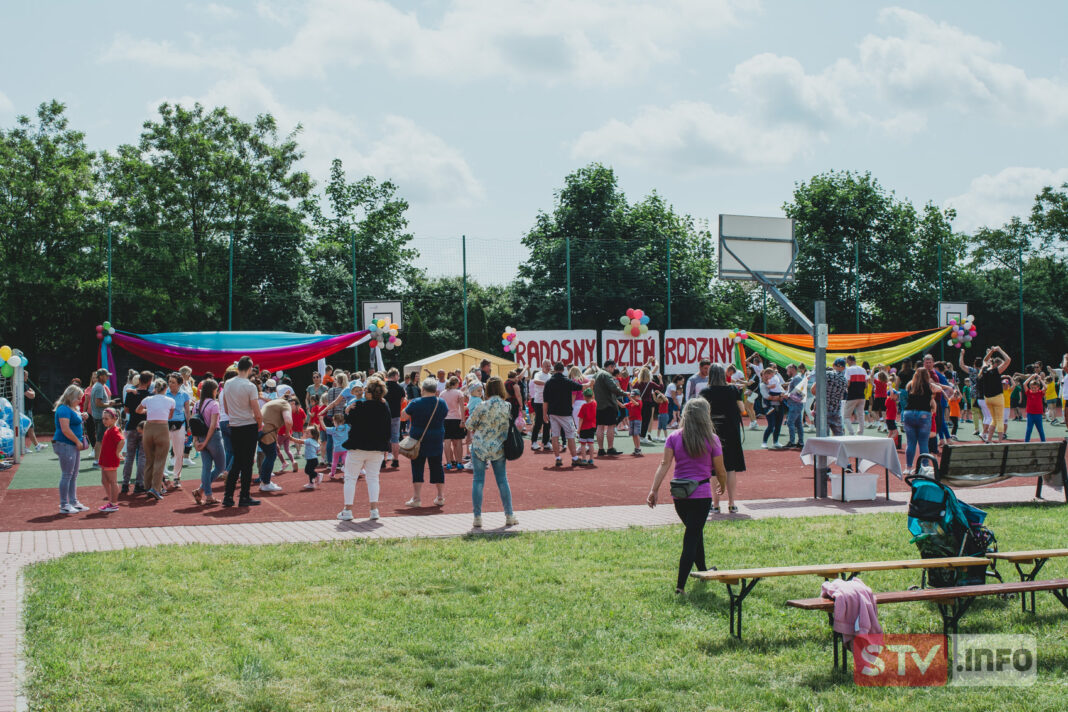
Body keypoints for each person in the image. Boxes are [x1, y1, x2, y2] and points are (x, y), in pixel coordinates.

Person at [646, 398, 727, 594]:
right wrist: (722, 484)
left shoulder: (674, 437)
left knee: (695, 531)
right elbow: (720, 469)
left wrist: (654, 489)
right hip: (701, 494)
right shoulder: (712, 439)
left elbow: (664, 464)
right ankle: (680, 586)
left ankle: (703, 570)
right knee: (692, 536)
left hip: (680, 495)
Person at [465, 376, 518, 528]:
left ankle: (477, 517)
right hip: (498, 447)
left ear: (487, 389)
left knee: (478, 480)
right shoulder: (507, 406)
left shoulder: (481, 405)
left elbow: (469, 425)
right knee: (502, 480)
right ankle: (509, 515)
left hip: (480, 446)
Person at [338, 376, 391, 521]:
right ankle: (374, 510)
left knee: (350, 478)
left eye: (366, 389)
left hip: (357, 448)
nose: (363, 391)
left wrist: (347, 410)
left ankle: (348, 511)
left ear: (370, 393)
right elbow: (388, 429)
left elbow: (348, 420)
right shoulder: (384, 406)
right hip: (377, 449)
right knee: (373, 479)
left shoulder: (359, 405)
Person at [699, 365, 745, 512]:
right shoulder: (733, 389)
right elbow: (742, 409)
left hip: (713, 431)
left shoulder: (705, 392)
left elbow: (701, 413)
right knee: (730, 468)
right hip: (731, 431)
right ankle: (732, 503)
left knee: (714, 468)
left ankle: (716, 504)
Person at [221, 356, 263, 508]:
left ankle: (228, 496)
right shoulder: (250, 386)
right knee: (247, 463)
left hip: (234, 426)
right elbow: (257, 412)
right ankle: (244, 496)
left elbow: (226, 408)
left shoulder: (227, 384)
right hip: (248, 426)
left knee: (237, 462)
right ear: (250, 368)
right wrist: (259, 425)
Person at [404, 378, 448, 508]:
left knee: (417, 466)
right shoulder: (441, 402)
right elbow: (444, 415)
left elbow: (403, 416)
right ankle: (440, 496)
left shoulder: (415, 402)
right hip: (436, 438)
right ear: (435, 390)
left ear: (423, 389)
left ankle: (417, 498)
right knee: (437, 466)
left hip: (418, 439)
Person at [136, 379, 175, 501]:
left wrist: (147, 411)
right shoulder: (170, 401)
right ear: (165, 388)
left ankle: (148, 487)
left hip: (148, 428)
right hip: (162, 428)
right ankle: (155, 489)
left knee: (149, 460)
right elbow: (170, 416)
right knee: (160, 461)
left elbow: (138, 410)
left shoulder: (148, 399)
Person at [53, 384, 89, 514]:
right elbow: (65, 429)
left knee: (73, 474)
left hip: (72, 444)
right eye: (78, 398)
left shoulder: (73, 408)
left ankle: (73, 501)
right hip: (65, 444)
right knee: (67, 474)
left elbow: (75, 421)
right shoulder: (63, 409)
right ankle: (64, 504)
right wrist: (77, 441)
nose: (80, 401)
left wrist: (83, 416)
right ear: (71, 397)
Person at [902, 368, 945, 475]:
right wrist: (931, 383)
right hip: (924, 413)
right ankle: (924, 467)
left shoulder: (910, 384)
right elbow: (939, 389)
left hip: (909, 413)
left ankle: (908, 467)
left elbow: (906, 392)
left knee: (910, 443)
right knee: (923, 443)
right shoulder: (929, 385)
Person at [191, 378, 224, 505]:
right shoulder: (214, 404)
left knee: (206, 467)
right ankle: (203, 492)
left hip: (200, 437)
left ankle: (205, 494)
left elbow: (194, 424)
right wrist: (206, 442)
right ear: (213, 390)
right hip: (213, 437)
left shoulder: (197, 404)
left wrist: (196, 441)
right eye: (216, 390)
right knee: (220, 466)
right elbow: (213, 425)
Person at [257, 396, 293, 493]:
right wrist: (287, 433)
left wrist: (276, 441)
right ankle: (266, 483)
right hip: (267, 431)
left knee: (269, 455)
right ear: (292, 403)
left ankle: (264, 482)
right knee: (271, 455)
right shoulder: (286, 404)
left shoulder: (275, 403)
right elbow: (288, 421)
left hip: (260, 430)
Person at [592, 359, 626, 456]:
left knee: (600, 426)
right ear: (610, 366)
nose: (614, 369)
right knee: (611, 426)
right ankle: (610, 448)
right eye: (614, 367)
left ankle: (601, 449)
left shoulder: (596, 374)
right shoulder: (607, 375)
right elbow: (613, 388)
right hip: (609, 404)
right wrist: (625, 393)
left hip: (598, 404)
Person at [977, 346, 1011, 442]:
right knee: (999, 419)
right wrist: (999, 349)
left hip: (988, 398)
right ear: (996, 364)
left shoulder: (984, 370)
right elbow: (1008, 360)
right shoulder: (996, 371)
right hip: (997, 397)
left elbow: (985, 360)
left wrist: (991, 352)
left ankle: (989, 439)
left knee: (994, 419)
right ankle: (1000, 441)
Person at [164, 372, 192, 489]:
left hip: (180, 425)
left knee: (179, 452)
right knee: (162, 451)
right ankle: (163, 476)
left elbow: (187, 411)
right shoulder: (164, 393)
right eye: (169, 382)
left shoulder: (184, 395)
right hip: (165, 425)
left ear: (179, 384)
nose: (170, 384)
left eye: (173, 382)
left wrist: (189, 426)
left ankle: (176, 477)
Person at [813, 358, 848, 436]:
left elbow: (813, 390)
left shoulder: (827, 374)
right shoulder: (844, 380)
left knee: (823, 437)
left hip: (823, 410)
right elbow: (841, 396)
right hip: (836, 410)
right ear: (844, 368)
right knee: (839, 436)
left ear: (833, 365)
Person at [97, 407, 123, 513]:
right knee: (104, 481)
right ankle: (111, 501)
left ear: (114, 419)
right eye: (103, 418)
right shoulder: (108, 429)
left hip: (110, 460)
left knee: (112, 481)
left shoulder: (114, 430)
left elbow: (122, 441)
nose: (104, 421)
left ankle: (113, 503)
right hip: (105, 459)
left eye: (106, 419)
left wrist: (117, 453)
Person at [440, 376, 467, 471]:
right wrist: (463, 421)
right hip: (456, 419)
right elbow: (462, 408)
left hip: (445, 419)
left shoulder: (442, 393)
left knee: (447, 442)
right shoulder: (459, 393)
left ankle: (448, 463)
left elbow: (441, 408)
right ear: (456, 383)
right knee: (458, 441)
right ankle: (459, 463)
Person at [633, 364, 664, 445]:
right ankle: (642, 437)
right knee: (646, 420)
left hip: (639, 403)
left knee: (640, 420)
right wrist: (660, 379)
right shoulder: (650, 383)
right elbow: (661, 387)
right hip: (647, 403)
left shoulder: (638, 383)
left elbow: (633, 389)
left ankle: (639, 436)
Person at [527, 360, 552, 451]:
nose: (549, 367)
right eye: (547, 366)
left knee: (547, 423)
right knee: (538, 422)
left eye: (549, 366)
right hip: (539, 402)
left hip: (548, 402)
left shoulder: (550, 376)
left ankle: (546, 442)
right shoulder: (538, 374)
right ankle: (534, 442)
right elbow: (536, 381)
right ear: (542, 366)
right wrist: (546, 383)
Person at [758, 366, 785, 449]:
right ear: (762, 376)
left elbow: (783, 393)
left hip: (779, 406)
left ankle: (775, 442)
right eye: (764, 375)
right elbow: (767, 397)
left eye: (768, 375)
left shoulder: (775, 382)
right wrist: (779, 397)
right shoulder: (762, 385)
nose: (767, 377)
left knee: (778, 425)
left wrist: (781, 396)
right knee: (771, 425)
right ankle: (764, 442)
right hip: (769, 407)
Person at [89, 368, 111, 468]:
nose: (108, 378)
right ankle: (96, 461)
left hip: (98, 416)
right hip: (101, 416)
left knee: (101, 438)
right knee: (100, 439)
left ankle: (99, 459)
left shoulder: (97, 386)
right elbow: (98, 403)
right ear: (101, 376)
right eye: (106, 376)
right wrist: (110, 404)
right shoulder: (99, 387)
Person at [384, 368, 405, 468]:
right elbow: (402, 400)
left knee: (384, 438)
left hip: (384, 415)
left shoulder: (383, 386)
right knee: (395, 438)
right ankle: (395, 460)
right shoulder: (400, 388)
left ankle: (383, 460)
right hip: (396, 415)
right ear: (395, 376)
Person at [841, 355, 867, 435]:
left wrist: (845, 389)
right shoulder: (863, 369)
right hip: (861, 396)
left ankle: (852, 433)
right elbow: (866, 384)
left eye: (847, 361)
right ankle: (860, 433)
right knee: (861, 415)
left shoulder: (848, 370)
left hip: (852, 396)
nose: (847, 363)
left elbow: (847, 383)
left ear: (850, 361)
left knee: (846, 416)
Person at [783, 364, 806, 449]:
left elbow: (799, 392)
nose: (787, 372)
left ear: (792, 369)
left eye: (788, 369)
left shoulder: (796, 378)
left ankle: (792, 442)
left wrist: (788, 395)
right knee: (798, 424)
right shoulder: (797, 378)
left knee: (790, 423)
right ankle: (800, 442)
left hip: (795, 404)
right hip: (796, 404)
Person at [575, 388, 597, 466]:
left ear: (585, 397)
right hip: (592, 426)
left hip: (584, 427)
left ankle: (584, 459)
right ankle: (591, 459)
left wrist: (578, 429)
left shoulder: (584, 406)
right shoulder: (594, 403)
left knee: (583, 444)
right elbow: (594, 398)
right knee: (591, 443)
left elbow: (581, 418)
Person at [1023, 373, 1048, 443]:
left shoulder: (1040, 393)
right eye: (1032, 387)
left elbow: (1045, 387)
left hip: (1038, 414)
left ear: (1038, 387)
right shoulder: (1028, 392)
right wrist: (1031, 377)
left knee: (1040, 429)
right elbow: (1024, 384)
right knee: (1029, 429)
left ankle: (1043, 442)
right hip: (1030, 414)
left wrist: (1040, 380)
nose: (1033, 389)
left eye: (1035, 387)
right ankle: (1026, 442)